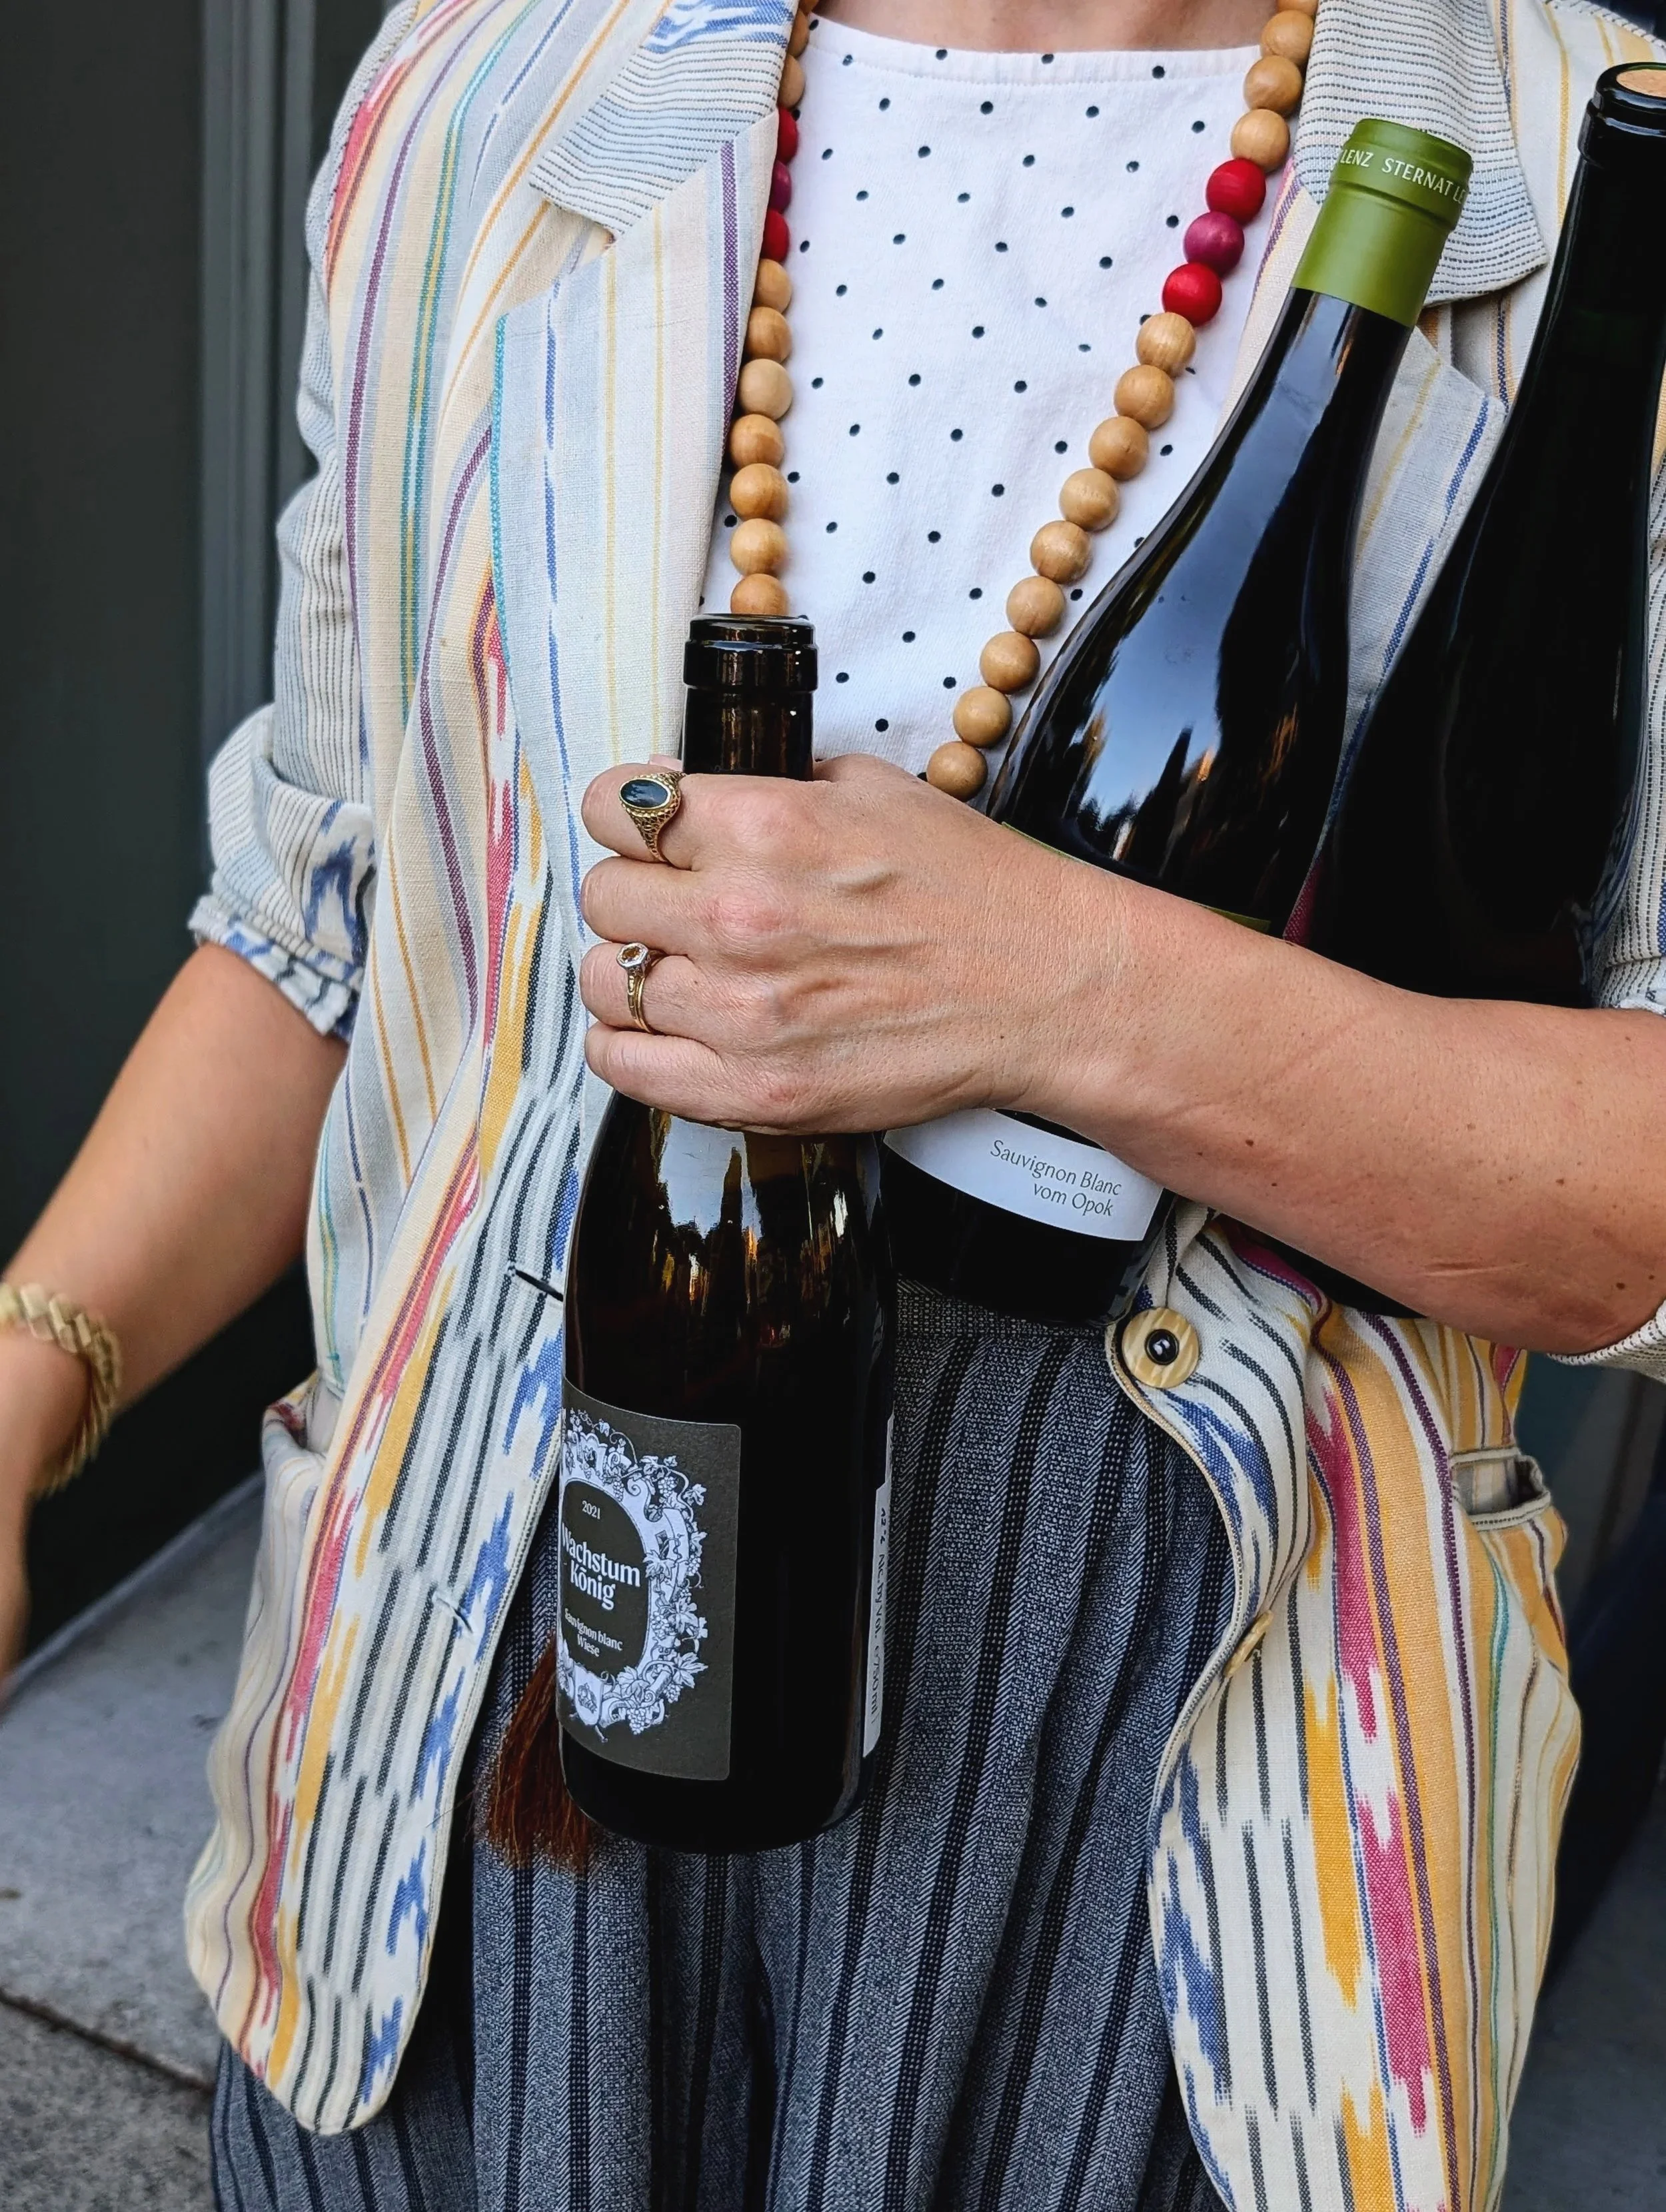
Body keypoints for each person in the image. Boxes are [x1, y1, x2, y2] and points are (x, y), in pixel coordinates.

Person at [3, 0, 1664, 2203]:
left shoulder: (1582, 160)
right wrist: (26, 1394)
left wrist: (1062, 985)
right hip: (497, 1672)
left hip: (1166, 1784)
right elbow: (329, 901)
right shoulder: (493, 86)